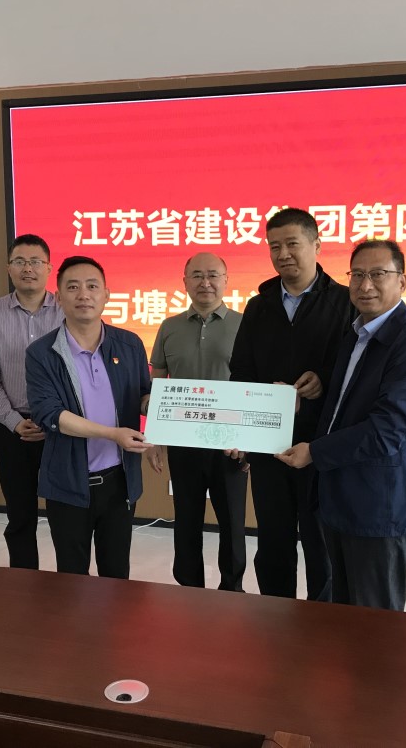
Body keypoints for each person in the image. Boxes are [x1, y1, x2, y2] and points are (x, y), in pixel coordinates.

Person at [277, 239, 406, 611]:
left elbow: (387, 432)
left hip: (379, 508)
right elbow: (342, 410)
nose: (366, 285)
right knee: (345, 620)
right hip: (340, 501)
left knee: (375, 626)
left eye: (378, 274)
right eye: (358, 275)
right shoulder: (354, 335)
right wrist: (302, 397)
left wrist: (314, 452)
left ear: (402, 281)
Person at [228, 207, 353, 601]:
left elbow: (358, 372)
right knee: (273, 542)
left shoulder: (346, 302)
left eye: (292, 244)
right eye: (274, 246)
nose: (283, 254)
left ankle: (322, 623)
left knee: (322, 544)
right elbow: (241, 373)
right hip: (269, 446)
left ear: (317, 245)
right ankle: (275, 620)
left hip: (322, 446)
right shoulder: (259, 306)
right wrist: (252, 416)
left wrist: (324, 380)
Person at [25, 256, 162, 578]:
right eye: (73, 287)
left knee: (116, 574)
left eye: (92, 286)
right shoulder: (42, 353)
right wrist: (112, 433)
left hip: (119, 482)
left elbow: (143, 394)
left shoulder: (129, 344)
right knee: (72, 577)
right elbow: (50, 415)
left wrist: (157, 409)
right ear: (59, 297)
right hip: (68, 483)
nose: (83, 295)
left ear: (107, 295)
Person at [149, 252, 248, 591]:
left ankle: (232, 590)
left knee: (233, 524)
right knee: (186, 521)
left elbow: (258, 386)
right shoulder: (169, 327)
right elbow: (158, 384)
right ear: (185, 282)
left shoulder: (246, 325)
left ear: (226, 280)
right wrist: (154, 436)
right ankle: (189, 590)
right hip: (183, 444)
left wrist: (252, 443)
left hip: (230, 447)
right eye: (197, 275)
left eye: (213, 275)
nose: (205, 282)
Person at [0, 234, 64, 569]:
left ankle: (68, 583)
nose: (28, 268)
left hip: (61, 428)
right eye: (20, 262)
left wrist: (55, 417)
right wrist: (13, 421)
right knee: (20, 515)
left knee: (65, 515)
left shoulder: (66, 311)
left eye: (36, 261)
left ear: (49, 268)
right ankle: (25, 582)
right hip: (13, 429)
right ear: (9, 268)